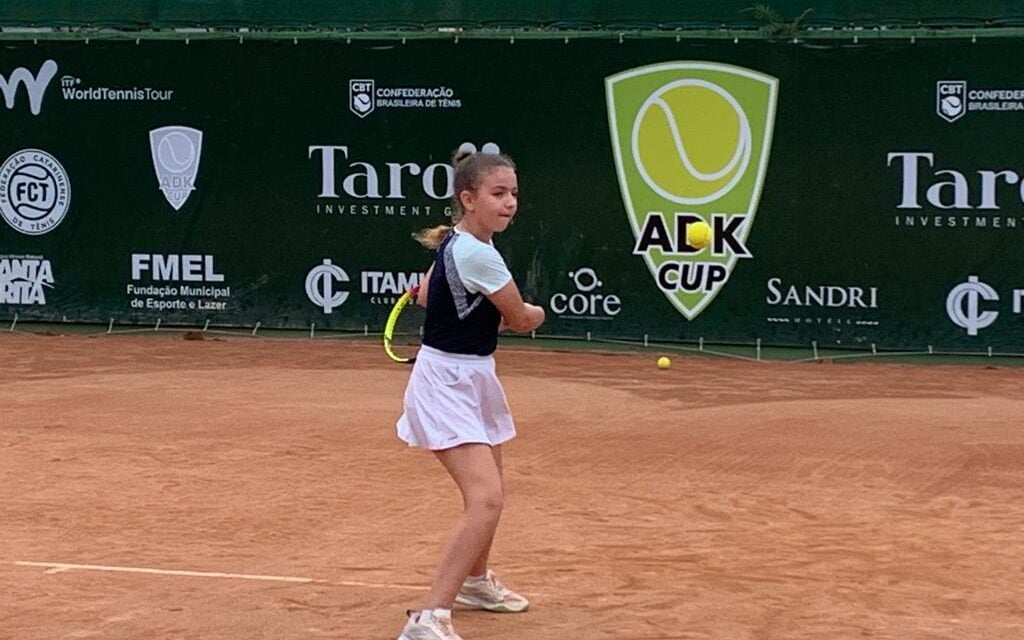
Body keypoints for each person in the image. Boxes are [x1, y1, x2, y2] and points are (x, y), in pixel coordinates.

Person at [395, 145, 545, 640]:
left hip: (473, 376)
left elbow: (432, 291)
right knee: (485, 499)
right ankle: (429, 617)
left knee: (491, 493)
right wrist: (539, 313)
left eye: (514, 194)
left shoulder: (459, 243)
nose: (510, 203)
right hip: (447, 382)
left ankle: (475, 583)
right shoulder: (478, 254)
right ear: (469, 198)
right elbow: (520, 320)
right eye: (498, 193)